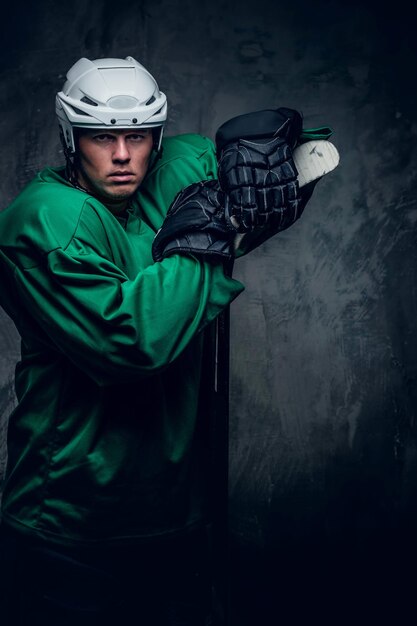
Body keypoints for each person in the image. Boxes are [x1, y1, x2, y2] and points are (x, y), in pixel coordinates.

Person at [0, 55, 328, 625]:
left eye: (138, 136)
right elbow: (132, 342)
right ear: (70, 137)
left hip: (178, 512)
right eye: (102, 137)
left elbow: (299, 159)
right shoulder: (44, 222)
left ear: (158, 135)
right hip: (71, 522)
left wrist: (269, 145)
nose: (123, 155)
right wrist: (212, 235)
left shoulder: (177, 169)